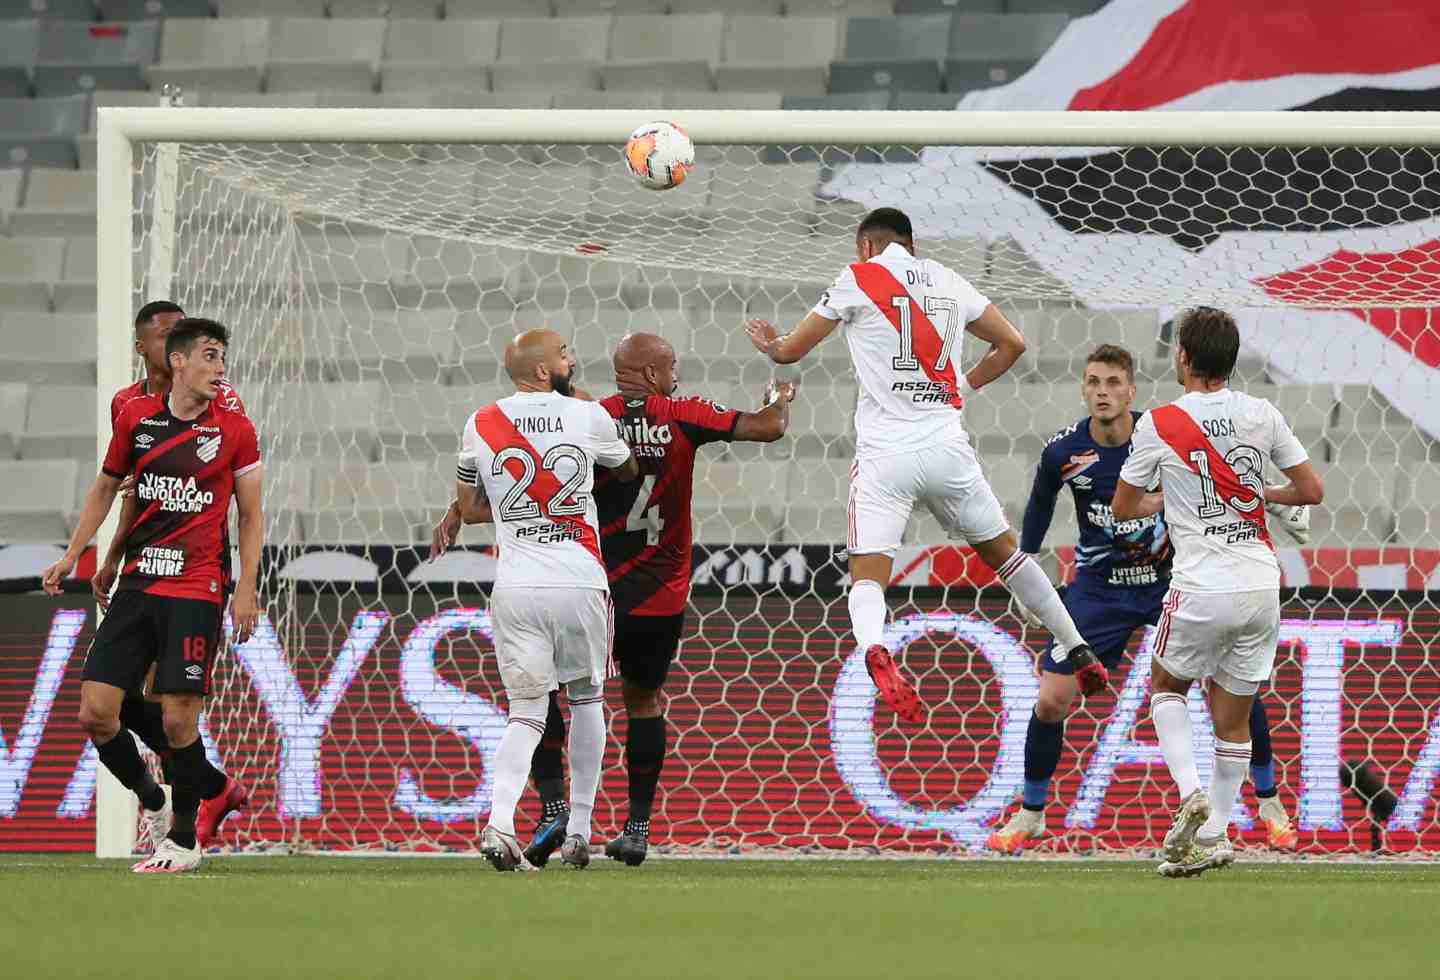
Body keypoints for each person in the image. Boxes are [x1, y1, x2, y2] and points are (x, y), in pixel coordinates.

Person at [437, 332, 796, 867]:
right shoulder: (674, 412)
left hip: (580, 577)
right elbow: (768, 429)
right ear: (652, 375)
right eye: (671, 365)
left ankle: (550, 805)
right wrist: (779, 400)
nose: (677, 373)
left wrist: (455, 508)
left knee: (541, 699)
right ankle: (633, 828)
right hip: (649, 588)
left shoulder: (585, 412)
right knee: (637, 702)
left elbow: (507, 480)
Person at [744, 206, 1105, 724]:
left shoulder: (859, 277)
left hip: (885, 456)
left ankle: (874, 648)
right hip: (946, 448)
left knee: (868, 577)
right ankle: (1075, 645)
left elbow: (790, 352)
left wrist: (772, 345)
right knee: (1006, 555)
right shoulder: (949, 279)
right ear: (910, 244)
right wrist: (964, 385)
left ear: (867, 246)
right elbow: (1013, 344)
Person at [986, 344, 1300, 853]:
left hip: (1172, 581)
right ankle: (1031, 813)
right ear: (1084, 390)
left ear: (1131, 390)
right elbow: (1040, 506)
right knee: (1051, 700)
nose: (1102, 392)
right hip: (1098, 591)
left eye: (1113, 382)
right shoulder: (1064, 452)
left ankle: (1269, 803)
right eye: (1093, 382)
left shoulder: (1162, 433)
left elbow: (1221, 480)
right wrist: (1026, 568)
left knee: (1232, 693)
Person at [45, 318, 264, 873]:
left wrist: (246, 587)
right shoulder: (136, 419)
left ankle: (186, 842)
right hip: (139, 583)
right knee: (96, 712)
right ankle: (156, 798)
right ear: (178, 361)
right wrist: (80, 553)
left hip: (197, 586)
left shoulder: (235, 430)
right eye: (210, 357)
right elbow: (109, 489)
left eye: (223, 358)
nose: (220, 368)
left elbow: (252, 515)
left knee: (176, 721)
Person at [1112, 306, 1323, 877]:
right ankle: (1216, 835)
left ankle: (1189, 795)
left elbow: (1123, 507)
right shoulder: (1262, 413)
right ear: (1230, 361)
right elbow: (1311, 490)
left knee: (1166, 687)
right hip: (1261, 584)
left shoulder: (1159, 423)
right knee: (1234, 720)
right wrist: (1262, 497)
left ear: (1183, 358)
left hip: (1201, 585)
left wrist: (1168, 501)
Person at [453, 329, 638, 871]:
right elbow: (625, 470)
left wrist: (521, 510)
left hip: (516, 586)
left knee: (527, 712)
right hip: (580, 580)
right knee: (586, 699)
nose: (571, 359)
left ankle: (499, 824)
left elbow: (468, 507)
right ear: (540, 370)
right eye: (563, 353)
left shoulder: (480, 422)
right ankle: (579, 829)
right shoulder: (585, 415)